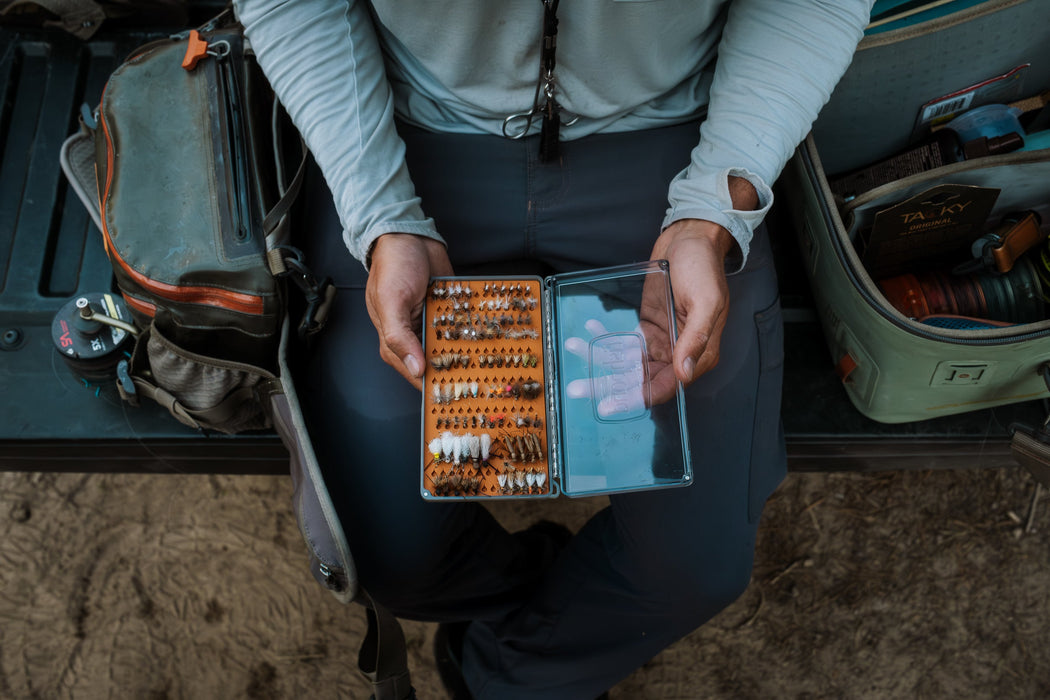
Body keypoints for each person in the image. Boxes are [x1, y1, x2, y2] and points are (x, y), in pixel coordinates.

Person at [234, 1, 873, 697]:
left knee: (695, 569)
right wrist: (380, 215)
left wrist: (716, 207)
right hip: (404, 135)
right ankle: (536, 600)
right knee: (376, 551)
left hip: (674, 143)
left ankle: (510, 668)